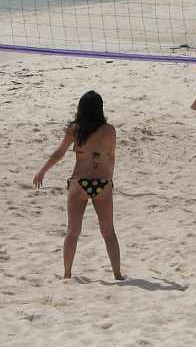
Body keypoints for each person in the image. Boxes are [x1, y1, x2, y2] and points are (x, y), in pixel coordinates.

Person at [33, 91, 123, 280]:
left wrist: (42, 171)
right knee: (108, 231)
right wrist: (109, 179)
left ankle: (67, 274)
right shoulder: (109, 130)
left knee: (73, 231)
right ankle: (117, 274)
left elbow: (59, 154)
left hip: (79, 182)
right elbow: (111, 157)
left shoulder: (76, 129)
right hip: (102, 182)